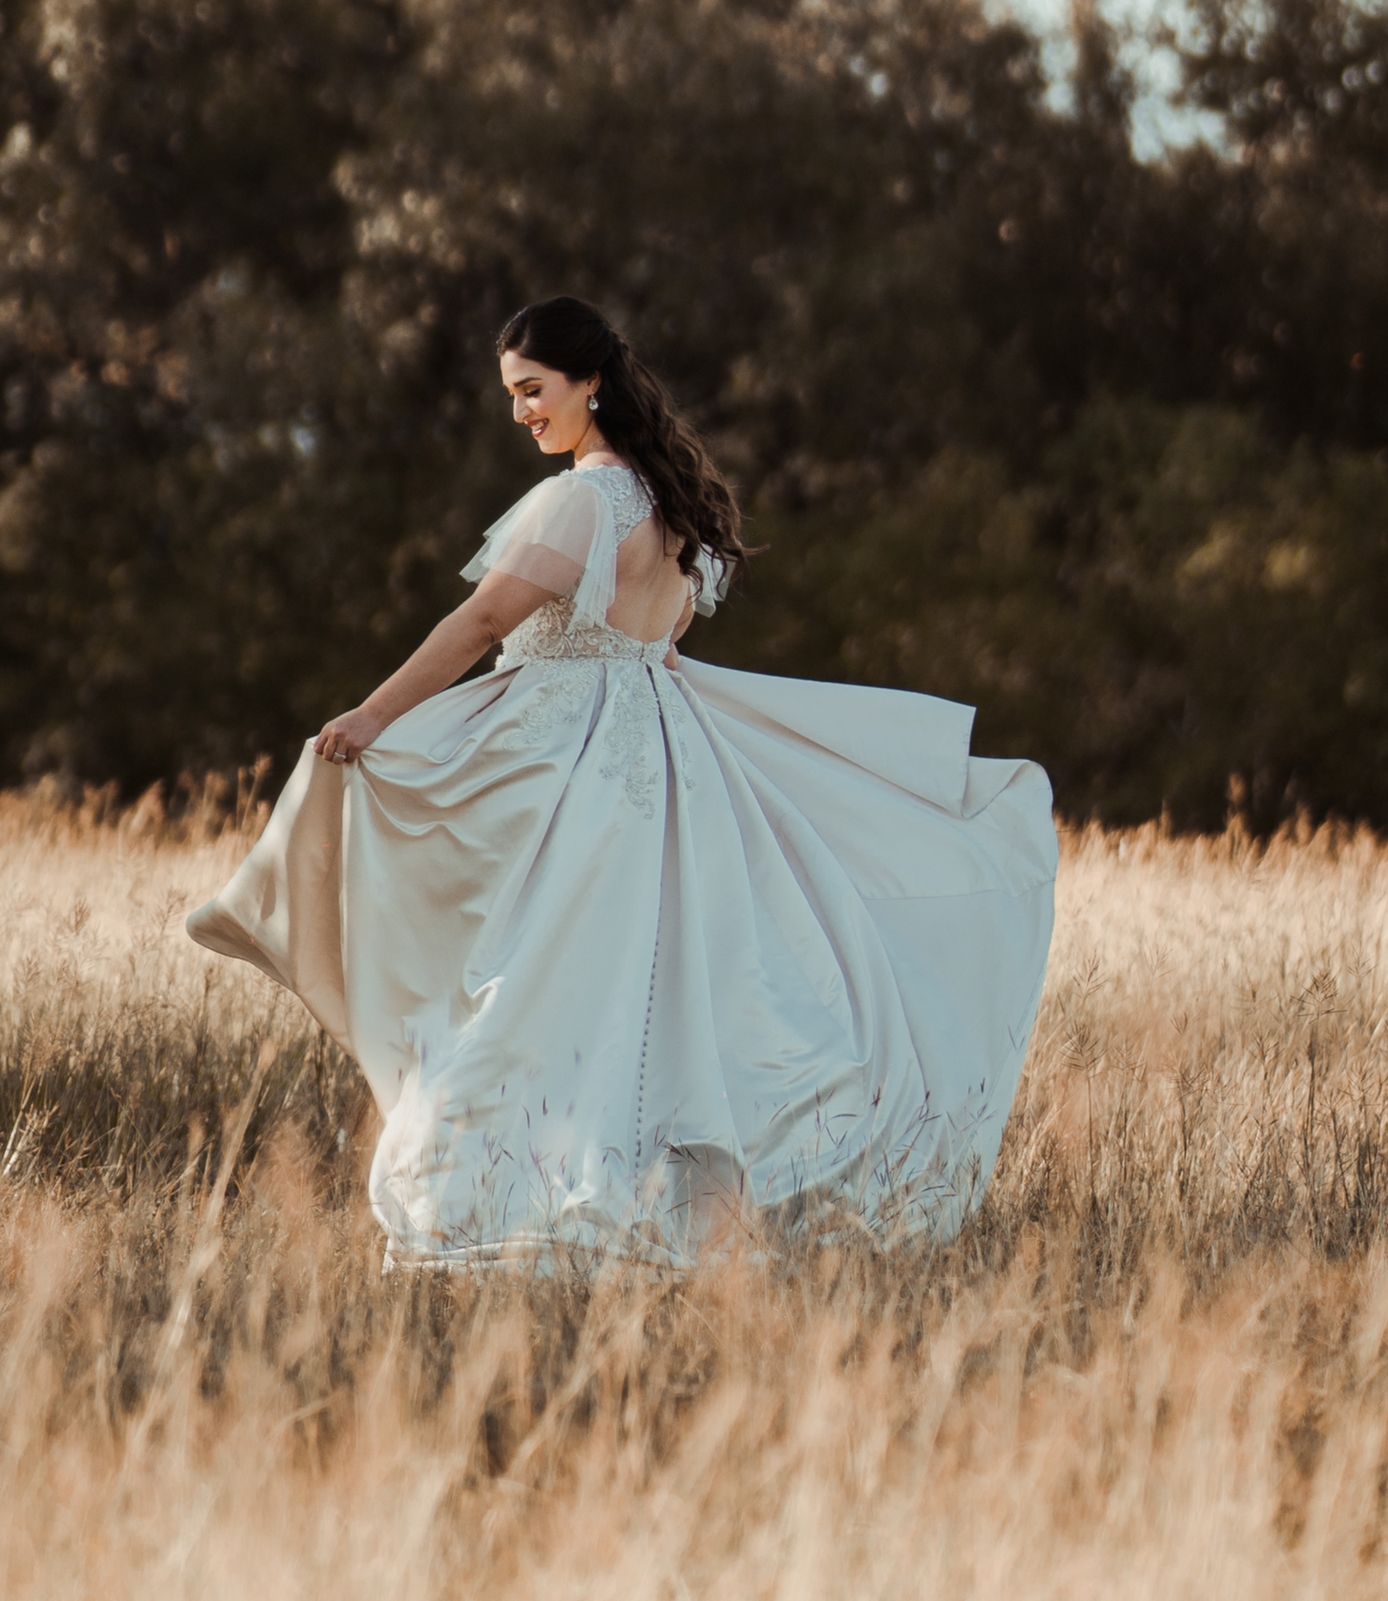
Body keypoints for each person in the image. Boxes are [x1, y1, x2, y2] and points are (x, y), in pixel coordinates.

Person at [186, 295, 1059, 1277]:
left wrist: (372, 715)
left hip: (583, 768)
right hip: (669, 763)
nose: (521, 412)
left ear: (589, 381)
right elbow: (663, 652)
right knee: (654, 988)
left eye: (533, 390)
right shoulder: (670, 506)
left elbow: (478, 629)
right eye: (511, 396)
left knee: (561, 982)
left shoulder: (583, 499)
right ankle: (663, 1196)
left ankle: (529, 1190)